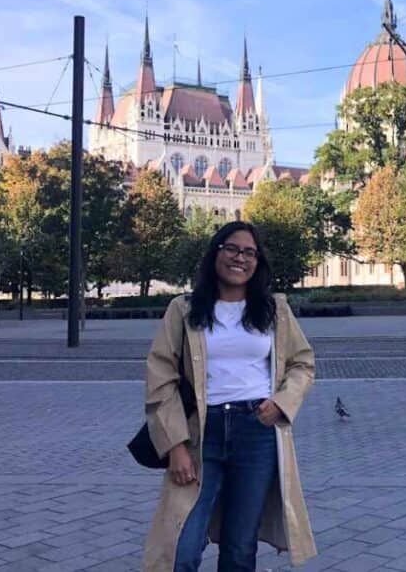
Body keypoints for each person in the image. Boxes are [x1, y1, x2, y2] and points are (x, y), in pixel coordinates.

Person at [143, 221, 316, 571]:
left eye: (249, 252)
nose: (241, 258)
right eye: (232, 249)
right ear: (216, 252)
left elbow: (303, 363)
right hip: (200, 433)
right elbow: (161, 377)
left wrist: (282, 403)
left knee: (239, 550)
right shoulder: (184, 309)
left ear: (258, 262)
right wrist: (175, 445)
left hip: (257, 431)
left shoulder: (274, 309)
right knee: (182, 546)